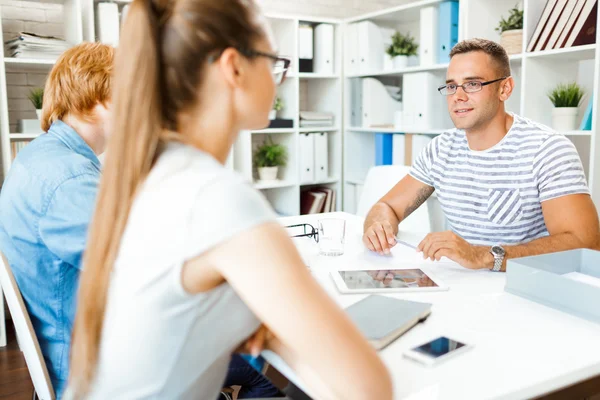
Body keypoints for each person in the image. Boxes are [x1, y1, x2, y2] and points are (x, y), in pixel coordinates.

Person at [66, 0, 393, 399]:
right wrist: (273, 329)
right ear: (234, 67)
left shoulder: (150, 174)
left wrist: (263, 326)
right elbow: (371, 387)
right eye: (274, 61)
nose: (280, 79)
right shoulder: (214, 197)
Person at [363, 38, 599, 272]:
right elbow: (387, 207)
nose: (458, 96)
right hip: (464, 288)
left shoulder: (548, 149)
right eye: (452, 86)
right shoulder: (440, 149)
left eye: (473, 84)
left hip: (527, 290)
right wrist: (379, 226)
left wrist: (484, 256)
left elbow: (586, 243)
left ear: (504, 88)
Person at [0, 42, 113, 397]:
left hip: (65, 350)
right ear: (96, 99)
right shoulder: (71, 179)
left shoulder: (40, 157)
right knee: (250, 366)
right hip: (92, 373)